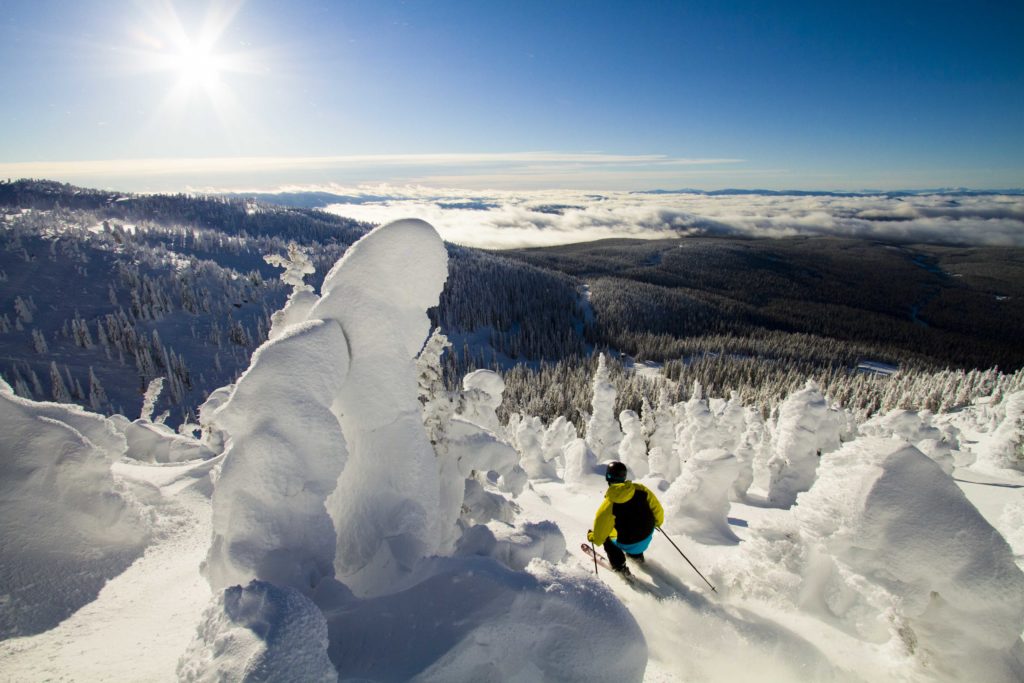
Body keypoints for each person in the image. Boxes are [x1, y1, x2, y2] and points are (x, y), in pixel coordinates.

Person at [587, 461, 664, 576]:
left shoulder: (608, 506)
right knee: (635, 526)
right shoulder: (641, 490)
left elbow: (599, 538)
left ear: (608, 477)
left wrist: (591, 536)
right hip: (646, 538)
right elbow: (657, 510)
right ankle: (636, 556)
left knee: (607, 537)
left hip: (628, 543)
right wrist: (657, 523)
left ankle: (620, 567)